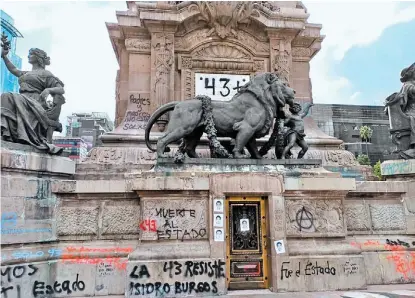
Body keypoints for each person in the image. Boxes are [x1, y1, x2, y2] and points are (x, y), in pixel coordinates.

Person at [1, 44, 65, 154]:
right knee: (6, 96)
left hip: (35, 102)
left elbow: (61, 89)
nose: (28, 56)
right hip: (22, 99)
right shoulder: (26, 73)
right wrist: (4, 56)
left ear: (38, 57)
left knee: (7, 96)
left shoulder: (46, 74)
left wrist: (48, 90)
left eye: (31, 54)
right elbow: (13, 69)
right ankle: (8, 134)